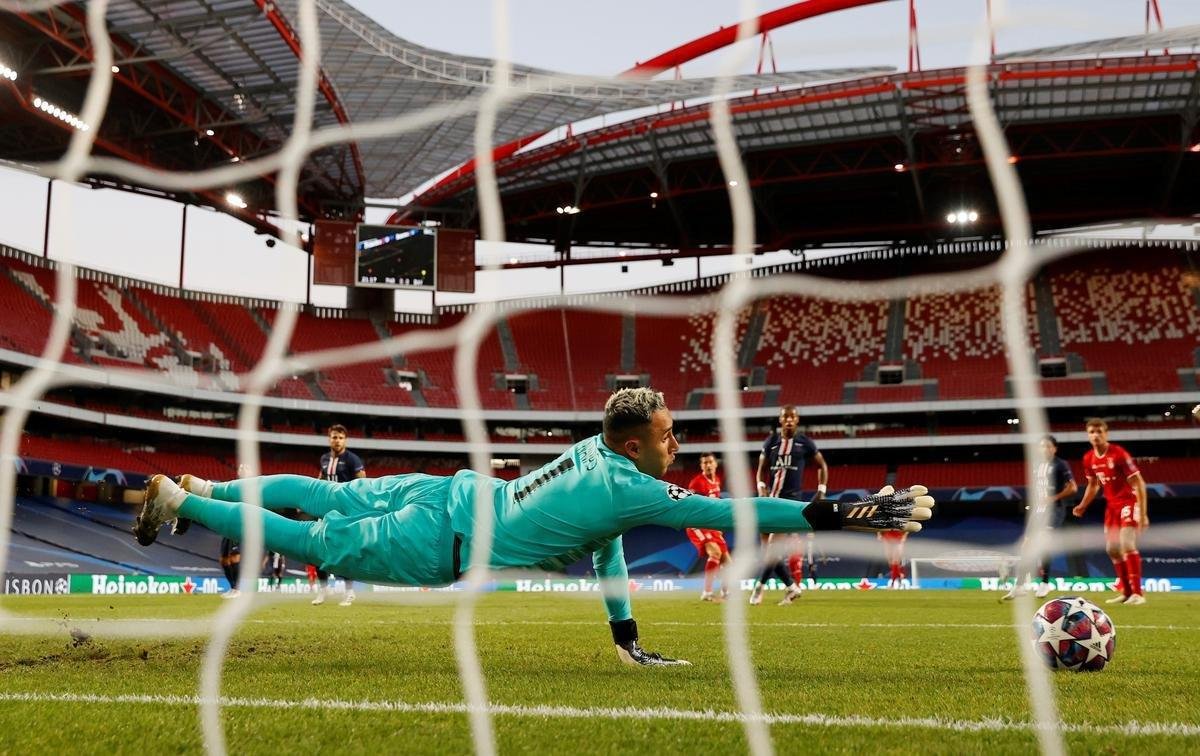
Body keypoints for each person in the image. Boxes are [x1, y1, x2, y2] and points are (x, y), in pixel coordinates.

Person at [133, 388, 933, 667]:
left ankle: (209, 482)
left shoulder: (595, 454)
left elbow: (606, 538)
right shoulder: (638, 486)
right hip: (440, 541)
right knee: (309, 539)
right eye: (666, 434)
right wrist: (826, 511)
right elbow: (735, 511)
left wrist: (623, 629)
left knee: (318, 492)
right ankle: (184, 502)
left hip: (455, 489)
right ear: (631, 444)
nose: (676, 443)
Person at [750, 405, 829, 606]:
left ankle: (759, 589)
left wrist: (821, 489)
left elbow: (822, 465)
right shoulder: (771, 442)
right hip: (768, 501)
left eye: (792, 417)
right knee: (767, 552)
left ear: (797, 420)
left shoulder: (804, 443)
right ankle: (791, 587)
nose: (788, 420)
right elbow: (761, 469)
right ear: (780, 420)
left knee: (771, 550)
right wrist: (761, 486)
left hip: (789, 504)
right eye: (785, 417)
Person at [1072, 419, 1149, 605]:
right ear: (1087, 435)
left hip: (1128, 502)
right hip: (1112, 506)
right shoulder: (1089, 458)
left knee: (1126, 543)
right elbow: (1093, 485)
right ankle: (1126, 592)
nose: (1096, 435)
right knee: (1112, 549)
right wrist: (1083, 505)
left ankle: (1138, 594)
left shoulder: (1118, 454)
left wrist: (1143, 514)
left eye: (1099, 431)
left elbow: (1139, 483)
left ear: (1106, 433)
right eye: (1092, 432)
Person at [1003, 435, 1077, 600]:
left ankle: (1044, 583)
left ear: (1054, 448)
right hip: (1038, 511)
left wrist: (1054, 498)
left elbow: (1073, 488)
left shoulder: (1060, 464)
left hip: (1054, 510)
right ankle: (1020, 586)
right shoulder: (1037, 466)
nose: (1045, 449)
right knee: (1026, 547)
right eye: (1042, 446)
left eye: (1048, 446)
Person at [312, 424, 366, 607]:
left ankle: (349, 591)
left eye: (341, 438)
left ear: (345, 440)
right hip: (325, 510)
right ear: (329, 439)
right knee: (318, 547)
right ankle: (324, 588)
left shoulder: (352, 459)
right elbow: (320, 480)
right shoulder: (324, 459)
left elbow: (363, 484)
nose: (337, 441)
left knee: (344, 550)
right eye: (334, 437)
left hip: (344, 511)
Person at [685, 452, 731, 602]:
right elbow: (690, 505)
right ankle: (707, 592)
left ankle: (726, 592)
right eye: (705, 463)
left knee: (728, 562)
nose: (708, 465)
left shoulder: (717, 480)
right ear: (701, 466)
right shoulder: (697, 483)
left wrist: (717, 524)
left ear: (716, 464)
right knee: (715, 553)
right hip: (697, 524)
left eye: (710, 462)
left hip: (711, 525)